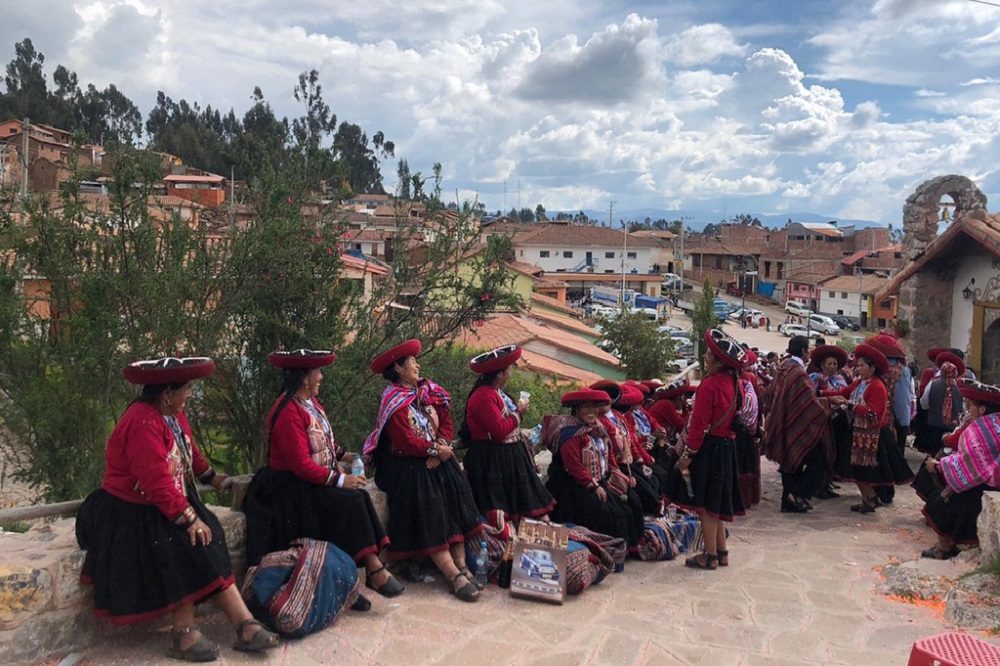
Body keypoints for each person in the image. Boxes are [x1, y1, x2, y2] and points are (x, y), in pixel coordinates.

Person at [76, 357, 279, 661]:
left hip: (160, 501)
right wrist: (189, 518)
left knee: (209, 533)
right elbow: (155, 480)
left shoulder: (172, 415)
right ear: (167, 393)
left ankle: (243, 624)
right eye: (187, 389)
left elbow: (188, 451)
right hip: (127, 509)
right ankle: (184, 634)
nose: (191, 394)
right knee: (182, 542)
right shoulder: (142, 421)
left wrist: (211, 477)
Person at [243, 349, 402, 610]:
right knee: (347, 503)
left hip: (311, 481)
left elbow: (323, 439)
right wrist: (340, 480)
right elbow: (301, 464)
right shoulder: (287, 412)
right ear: (305, 378)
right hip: (290, 487)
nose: (321, 378)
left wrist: (345, 455)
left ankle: (357, 578)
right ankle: (372, 570)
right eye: (318, 372)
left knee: (358, 496)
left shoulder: (311, 404)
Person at [362, 339, 485, 602]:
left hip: (434, 456)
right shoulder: (393, 400)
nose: (417, 365)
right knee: (429, 496)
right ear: (397, 368)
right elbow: (405, 440)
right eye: (411, 362)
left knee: (456, 485)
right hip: (403, 464)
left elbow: (447, 423)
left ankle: (462, 563)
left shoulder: (430, 392)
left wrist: (442, 447)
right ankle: (452, 573)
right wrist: (435, 451)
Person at [671, 329, 747, 570]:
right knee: (718, 501)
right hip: (728, 447)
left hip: (711, 447)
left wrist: (687, 455)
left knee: (706, 506)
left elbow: (698, 425)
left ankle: (710, 555)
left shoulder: (710, 385)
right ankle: (722, 552)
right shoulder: (736, 383)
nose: (705, 358)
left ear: (718, 361)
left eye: (708, 355)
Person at [460, 344, 555, 520]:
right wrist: (518, 413)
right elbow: (499, 431)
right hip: (492, 459)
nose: (510, 373)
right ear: (499, 373)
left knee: (528, 505)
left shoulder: (497, 392)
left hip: (510, 456)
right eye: (509, 369)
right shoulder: (484, 396)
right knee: (503, 510)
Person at [545, 388, 645, 547]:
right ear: (577, 410)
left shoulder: (598, 430)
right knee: (604, 511)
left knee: (632, 500)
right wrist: (593, 486)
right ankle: (604, 548)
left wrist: (617, 473)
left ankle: (630, 545)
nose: (591, 412)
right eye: (586, 408)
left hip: (599, 479)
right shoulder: (570, 435)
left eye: (594, 408)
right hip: (575, 485)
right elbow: (574, 466)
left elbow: (608, 454)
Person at [917, 380, 1000, 559]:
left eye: (971, 406)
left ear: (982, 409)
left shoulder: (979, 430)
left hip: (981, 485)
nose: (968, 410)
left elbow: (970, 463)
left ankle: (945, 548)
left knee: (939, 504)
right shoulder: (995, 424)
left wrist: (940, 465)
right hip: (994, 482)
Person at [828, 344, 915, 513]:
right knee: (857, 469)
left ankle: (871, 499)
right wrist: (822, 394)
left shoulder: (877, 386)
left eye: (862, 365)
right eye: (858, 365)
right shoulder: (860, 383)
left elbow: (874, 413)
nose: (858, 368)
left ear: (872, 368)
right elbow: (844, 391)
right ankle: (868, 499)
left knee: (866, 471)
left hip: (874, 435)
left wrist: (850, 405)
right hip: (859, 432)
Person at [763, 337, 835, 513]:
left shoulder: (784, 368)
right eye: (808, 349)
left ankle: (789, 502)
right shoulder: (798, 373)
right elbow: (808, 402)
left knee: (790, 463)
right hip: (795, 423)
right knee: (820, 461)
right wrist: (828, 404)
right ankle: (796, 493)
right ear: (804, 351)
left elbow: (773, 393)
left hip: (783, 421)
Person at [807, 345, 851, 499]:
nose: (832, 367)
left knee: (835, 453)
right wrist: (826, 396)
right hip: (823, 420)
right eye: (829, 363)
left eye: (835, 364)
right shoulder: (814, 378)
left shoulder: (840, 379)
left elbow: (846, 394)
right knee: (824, 453)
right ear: (822, 365)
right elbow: (810, 397)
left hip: (839, 420)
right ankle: (818, 486)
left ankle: (827, 483)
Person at [915, 351, 966, 456]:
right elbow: (964, 408)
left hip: (934, 425)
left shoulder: (932, 383)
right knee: (948, 454)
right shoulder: (961, 387)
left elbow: (924, 403)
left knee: (933, 453)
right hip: (952, 427)